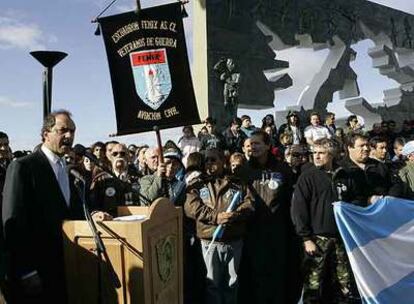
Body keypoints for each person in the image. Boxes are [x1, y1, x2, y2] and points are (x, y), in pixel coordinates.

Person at [2, 110, 84, 303]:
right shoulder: (24, 167)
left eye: (72, 131)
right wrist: (26, 270)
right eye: (63, 130)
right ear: (46, 133)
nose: (69, 136)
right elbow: (13, 223)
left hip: (66, 267)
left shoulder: (69, 170)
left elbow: (71, 213)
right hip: (36, 271)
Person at [291, 138, 359, 303]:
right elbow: (298, 209)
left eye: (321, 153)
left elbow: (356, 202)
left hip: (342, 238)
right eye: (314, 153)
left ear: (332, 155)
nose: (316, 156)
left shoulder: (345, 175)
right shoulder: (308, 177)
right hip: (317, 239)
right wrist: (306, 238)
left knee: (345, 285)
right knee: (313, 285)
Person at [238, 130, 302, 304]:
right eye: (250, 144)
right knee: (255, 275)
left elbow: (292, 200)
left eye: (257, 143)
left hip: (279, 230)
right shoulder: (243, 171)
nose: (253, 147)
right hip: (253, 231)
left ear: (268, 145)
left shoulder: (283, 169)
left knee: (278, 274)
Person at [184, 148, 254, 304]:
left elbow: (249, 204)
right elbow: (191, 207)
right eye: (206, 160)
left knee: (232, 283)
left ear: (223, 161)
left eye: (213, 159)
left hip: (234, 240)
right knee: (212, 284)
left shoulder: (237, 183)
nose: (209, 163)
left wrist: (234, 215)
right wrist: (216, 217)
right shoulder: (197, 184)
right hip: (210, 241)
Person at [336, 133, 404, 206]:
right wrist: (367, 201)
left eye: (367, 145)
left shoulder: (379, 165)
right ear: (350, 148)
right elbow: (342, 199)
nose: (366, 148)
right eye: (361, 146)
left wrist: (389, 198)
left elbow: (396, 183)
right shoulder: (341, 170)